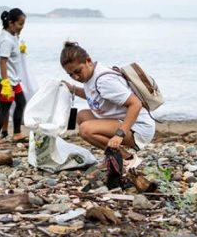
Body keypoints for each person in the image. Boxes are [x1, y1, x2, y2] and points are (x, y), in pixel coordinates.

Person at [60, 41, 153, 169]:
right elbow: (94, 96)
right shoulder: (90, 75)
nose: (75, 77)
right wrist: (72, 88)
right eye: (71, 75)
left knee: (85, 130)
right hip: (122, 121)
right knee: (81, 115)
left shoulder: (104, 81)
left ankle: (127, 158)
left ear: (88, 61)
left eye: (78, 71)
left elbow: (135, 104)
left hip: (139, 127)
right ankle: (114, 156)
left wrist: (119, 135)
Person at [0, 8, 28, 146]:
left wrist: (20, 47)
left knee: (21, 102)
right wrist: (5, 83)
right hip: (4, 79)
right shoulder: (6, 40)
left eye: (23, 24)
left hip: (13, 79)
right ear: (11, 23)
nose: (22, 27)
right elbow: (2, 62)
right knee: (5, 107)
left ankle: (17, 133)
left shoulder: (11, 34)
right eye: (20, 24)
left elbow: (13, 49)